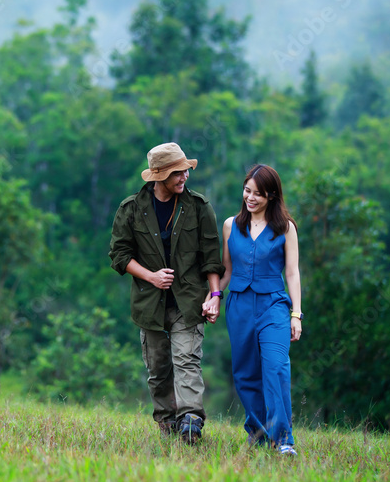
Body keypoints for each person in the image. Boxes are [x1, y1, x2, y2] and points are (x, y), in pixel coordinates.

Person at [109, 142, 224, 443]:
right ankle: (167, 424)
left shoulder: (199, 208)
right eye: (177, 173)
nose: (184, 177)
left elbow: (212, 258)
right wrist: (151, 276)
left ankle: (190, 423)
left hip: (189, 302)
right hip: (151, 305)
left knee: (186, 360)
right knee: (158, 370)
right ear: (158, 176)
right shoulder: (131, 210)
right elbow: (119, 255)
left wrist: (214, 297)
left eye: (186, 171)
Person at [202, 164, 303, 455]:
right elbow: (227, 271)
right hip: (240, 306)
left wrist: (296, 313)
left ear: (272, 196)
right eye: (248, 190)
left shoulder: (286, 228)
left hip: (273, 305)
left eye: (258, 194)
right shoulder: (231, 226)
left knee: (276, 367)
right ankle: (258, 435)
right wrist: (214, 296)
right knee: (245, 373)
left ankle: (283, 440)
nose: (251, 198)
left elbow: (293, 273)